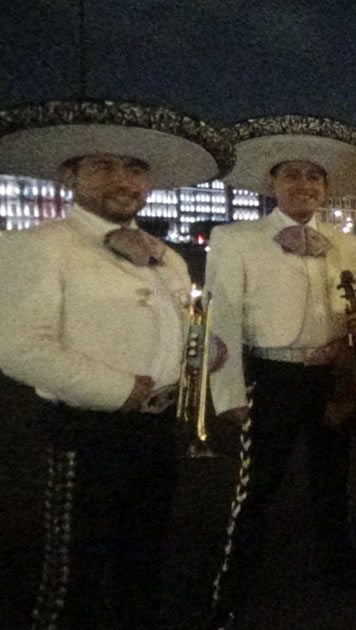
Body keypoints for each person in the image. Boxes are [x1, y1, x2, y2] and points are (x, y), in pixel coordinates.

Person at [0, 100, 231, 628]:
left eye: (135, 168)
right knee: (72, 574)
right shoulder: (36, 246)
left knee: (144, 563)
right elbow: (18, 347)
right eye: (102, 166)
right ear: (70, 176)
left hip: (158, 430)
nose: (122, 179)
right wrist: (119, 389)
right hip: (87, 430)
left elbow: (175, 325)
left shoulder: (165, 254)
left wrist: (203, 350)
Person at [204, 116, 356, 628]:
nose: (305, 185)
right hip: (272, 374)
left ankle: (338, 565)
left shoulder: (344, 243)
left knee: (332, 479)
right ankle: (232, 582)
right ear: (273, 184)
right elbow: (223, 317)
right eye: (293, 176)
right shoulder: (235, 238)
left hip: (332, 377)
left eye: (314, 178)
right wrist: (229, 391)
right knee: (257, 485)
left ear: (325, 188)